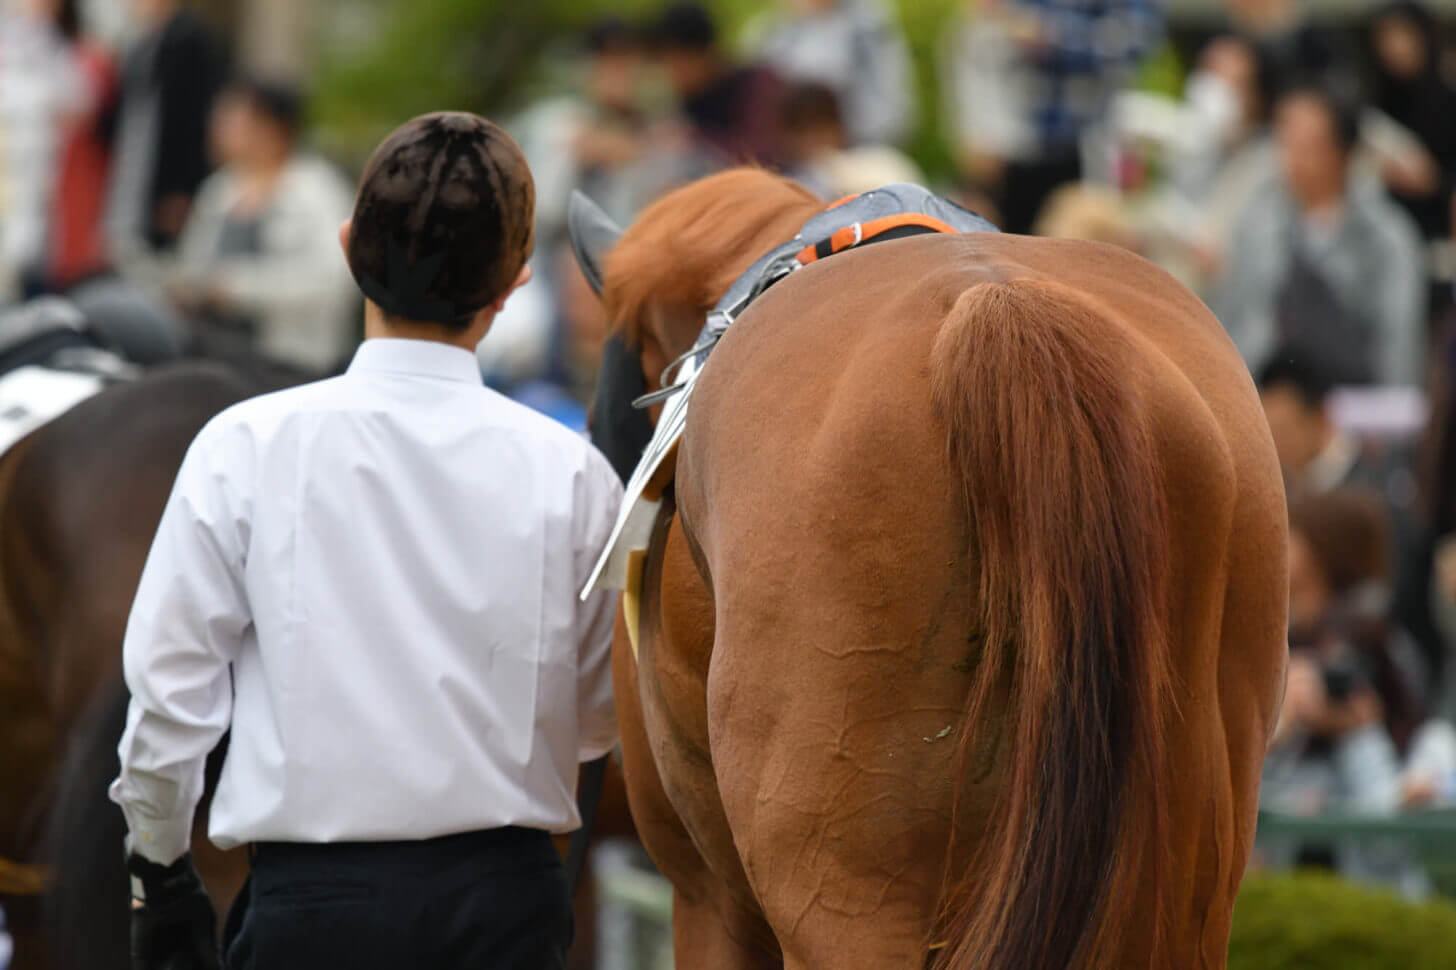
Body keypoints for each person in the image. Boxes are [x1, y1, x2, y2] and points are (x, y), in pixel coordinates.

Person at [109, 112, 623, 970]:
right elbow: (598, 721)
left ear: (348, 246)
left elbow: (169, 699)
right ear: (513, 282)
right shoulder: (573, 475)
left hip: (313, 913)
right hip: (508, 911)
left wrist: (157, 872)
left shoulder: (245, 447)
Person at [1213, 86, 1426, 386]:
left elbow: (1398, 345)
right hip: (1258, 400)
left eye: (1306, 145)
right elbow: (1230, 321)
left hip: (1349, 410)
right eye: (1285, 142)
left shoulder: (1388, 238)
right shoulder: (1256, 223)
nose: (1291, 157)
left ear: (1342, 152)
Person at [169, 75, 357, 374]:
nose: (220, 129)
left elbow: (334, 281)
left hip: (291, 364)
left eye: (234, 119)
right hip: (213, 359)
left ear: (273, 127)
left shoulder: (317, 190)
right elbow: (192, 264)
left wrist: (236, 289)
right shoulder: (219, 190)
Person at [941, 0, 1162, 235]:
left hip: (1087, 154)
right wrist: (978, 133)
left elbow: (1134, 43)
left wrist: (1049, 34)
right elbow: (977, 44)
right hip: (1009, 153)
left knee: (1079, 243)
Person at [104, 0, 227, 274]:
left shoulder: (193, 42)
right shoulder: (139, 47)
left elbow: (195, 120)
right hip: (134, 171)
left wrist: (181, 187)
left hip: (170, 181)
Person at [753, 0, 916, 147]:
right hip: (787, 152)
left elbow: (891, 110)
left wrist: (843, 139)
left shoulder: (869, 26)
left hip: (856, 146)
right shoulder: (771, 31)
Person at [649, 2, 785, 168]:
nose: (670, 73)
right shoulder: (686, 99)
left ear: (704, 53)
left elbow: (763, 156)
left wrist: (693, 139)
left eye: (675, 61)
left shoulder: (755, 85)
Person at [775, 81, 923, 198]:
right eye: (804, 133)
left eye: (821, 130)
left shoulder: (883, 164)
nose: (812, 141)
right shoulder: (791, 185)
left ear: (839, 128)